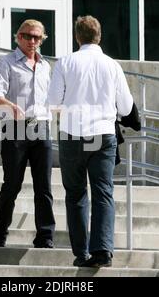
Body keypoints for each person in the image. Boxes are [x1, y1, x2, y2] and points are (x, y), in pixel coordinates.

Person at [48, 15, 133, 267]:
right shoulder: (112, 65)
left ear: (77, 37)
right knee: (103, 192)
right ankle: (103, 251)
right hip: (103, 134)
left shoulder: (65, 62)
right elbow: (126, 107)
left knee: (75, 194)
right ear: (99, 36)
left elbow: (53, 102)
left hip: (73, 134)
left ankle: (81, 253)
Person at [0, 19, 55, 248]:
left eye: (37, 37)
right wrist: (9, 105)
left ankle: (45, 237)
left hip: (42, 127)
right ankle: (0, 234)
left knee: (44, 186)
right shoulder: (6, 62)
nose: (32, 41)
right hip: (14, 128)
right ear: (18, 37)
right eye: (28, 36)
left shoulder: (46, 66)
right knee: (12, 185)